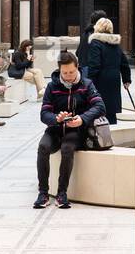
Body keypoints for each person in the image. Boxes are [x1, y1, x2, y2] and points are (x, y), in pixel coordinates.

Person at [35, 51, 106, 209]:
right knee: (43, 147)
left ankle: (62, 193)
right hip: (55, 129)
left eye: (72, 72)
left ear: (77, 68)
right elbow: (44, 113)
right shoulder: (52, 86)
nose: (68, 76)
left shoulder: (87, 85)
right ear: (59, 70)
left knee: (67, 149)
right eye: (64, 72)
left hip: (76, 130)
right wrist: (56, 118)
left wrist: (82, 119)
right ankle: (43, 193)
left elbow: (100, 106)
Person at [86, 18, 131, 125]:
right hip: (114, 80)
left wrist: (88, 83)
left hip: (100, 80)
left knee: (98, 109)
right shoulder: (115, 44)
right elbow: (124, 63)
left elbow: (94, 65)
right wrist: (126, 79)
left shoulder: (95, 43)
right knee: (111, 111)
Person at [77, 9, 106, 79]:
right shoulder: (95, 35)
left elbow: (78, 52)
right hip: (90, 70)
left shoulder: (86, 32)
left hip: (84, 67)